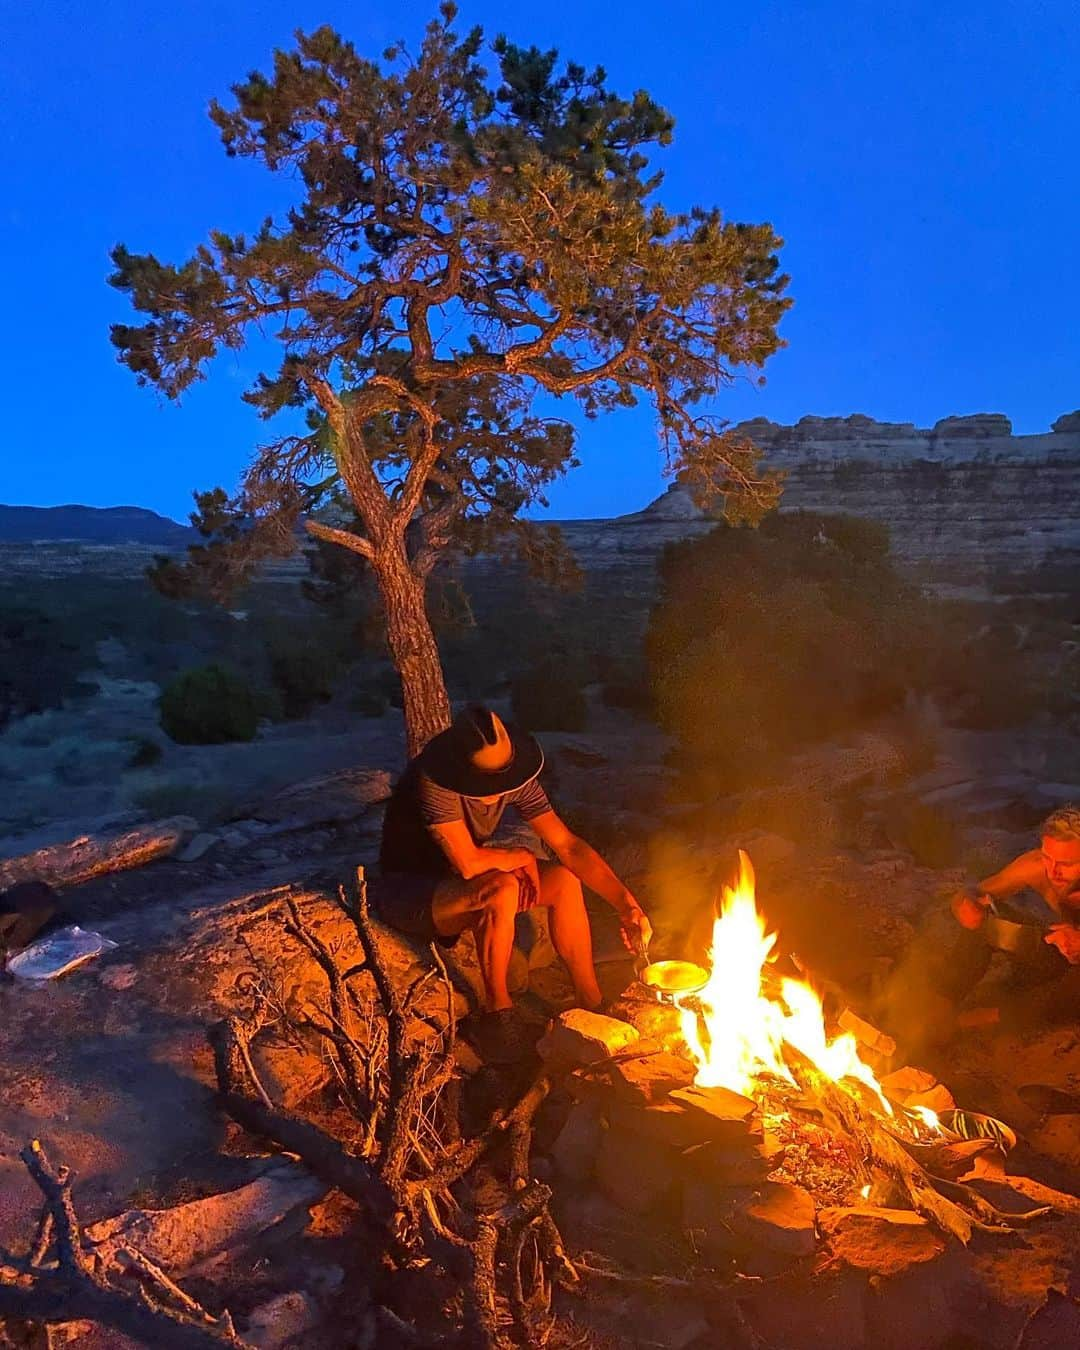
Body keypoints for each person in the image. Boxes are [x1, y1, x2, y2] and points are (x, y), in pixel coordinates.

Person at [373, 704, 652, 1058]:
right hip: (411, 893)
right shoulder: (434, 780)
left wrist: (626, 905)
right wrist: (518, 856)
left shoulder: (511, 775)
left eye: (500, 780)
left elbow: (567, 845)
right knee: (501, 887)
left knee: (564, 880)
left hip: (461, 883)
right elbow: (469, 863)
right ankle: (498, 1015)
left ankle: (591, 1002)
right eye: (484, 782)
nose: (496, 790)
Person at [900, 804, 1080, 1041]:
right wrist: (965, 905)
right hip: (1058, 954)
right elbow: (973, 892)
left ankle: (970, 1021)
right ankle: (943, 999)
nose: (1053, 871)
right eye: (1048, 858)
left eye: (1066, 864)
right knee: (986, 915)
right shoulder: (1036, 867)